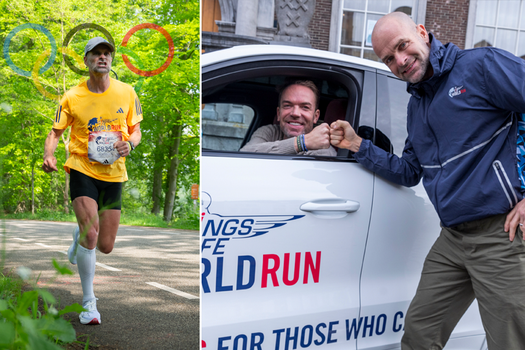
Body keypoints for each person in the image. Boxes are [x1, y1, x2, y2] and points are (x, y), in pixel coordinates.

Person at [330, 12, 525, 349]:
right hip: (452, 239)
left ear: (421, 32)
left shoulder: (481, 66)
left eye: (402, 46)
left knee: (510, 343)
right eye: (389, 59)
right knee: (420, 335)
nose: (400, 61)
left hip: (501, 236)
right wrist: (356, 145)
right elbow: (409, 171)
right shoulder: (416, 106)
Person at [42, 37, 143, 325]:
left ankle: (77, 238)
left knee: (106, 245)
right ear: (86, 61)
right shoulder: (72, 96)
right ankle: (89, 304)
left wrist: (130, 145)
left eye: (107, 53)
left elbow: (136, 131)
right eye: (96, 54)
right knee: (91, 234)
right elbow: (55, 133)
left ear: (111, 60)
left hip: (113, 174)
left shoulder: (126, 92)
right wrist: (49, 156)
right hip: (81, 169)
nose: (102, 57)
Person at [240, 80, 336, 156]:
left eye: (305, 107)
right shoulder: (269, 132)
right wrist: (302, 143)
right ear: (278, 113)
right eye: (287, 105)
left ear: (315, 116)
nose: (295, 113)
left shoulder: (323, 149)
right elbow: (244, 156)